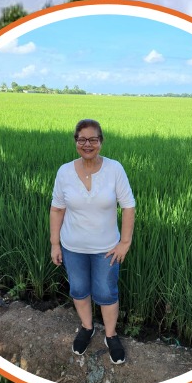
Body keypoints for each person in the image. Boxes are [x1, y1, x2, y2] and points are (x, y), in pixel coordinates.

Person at [50, 119, 136, 366]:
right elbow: (57, 209)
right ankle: (87, 328)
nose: (87, 144)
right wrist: (55, 244)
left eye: (93, 139)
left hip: (106, 249)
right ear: (75, 141)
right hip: (72, 246)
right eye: (82, 139)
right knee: (78, 289)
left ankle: (111, 335)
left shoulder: (114, 169)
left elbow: (128, 206)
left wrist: (125, 242)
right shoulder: (64, 172)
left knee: (106, 292)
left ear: (101, 141)